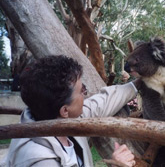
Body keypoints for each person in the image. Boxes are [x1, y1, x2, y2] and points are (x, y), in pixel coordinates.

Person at [4, 55, 140, 167]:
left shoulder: (59, 121)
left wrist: (138, 84)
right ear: (64, 111)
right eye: (82, 91)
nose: (85, 94)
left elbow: (100, 103)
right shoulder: (41, 161)